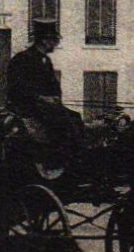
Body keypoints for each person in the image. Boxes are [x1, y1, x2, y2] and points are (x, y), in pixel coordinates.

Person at [5, 19, 84, 165]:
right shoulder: (22, 59)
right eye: (54, 40)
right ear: (44, 41)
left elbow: (53, 86)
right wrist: (41, 98)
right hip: (27, 107)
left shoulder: (46, 61)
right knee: (63, 122)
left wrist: (55, 98)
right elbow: (17, 87)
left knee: (75, 117)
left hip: (45, 107)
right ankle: (56, 160)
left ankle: (74, 158)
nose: (55, 44)